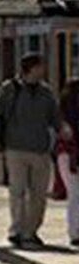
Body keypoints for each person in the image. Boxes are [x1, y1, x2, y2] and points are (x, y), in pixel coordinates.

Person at [0, 53, 63, 249]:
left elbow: (54, 117)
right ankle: (18, 230)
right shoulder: (9, 89)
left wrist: (62, 128)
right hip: (16, 148)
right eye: (40, 67)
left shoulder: (45, 92)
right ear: (31, 68)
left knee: (39, 194)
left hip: (40, 149)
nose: (43, 70)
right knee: (18, 191)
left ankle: (31, 230)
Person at [54, 79, 79, 247]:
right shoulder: (66, 122)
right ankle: (75, 231)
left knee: (74, 195)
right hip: (71, 155)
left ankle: (75, 231)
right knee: (75, 194)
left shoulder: (61, 117)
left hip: (66, 155)